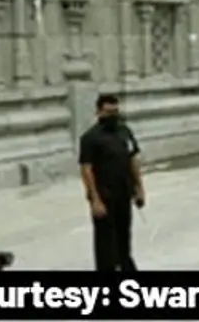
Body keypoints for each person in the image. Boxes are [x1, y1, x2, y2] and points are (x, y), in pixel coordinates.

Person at [78, 93, 144, 271]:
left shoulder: (124, 131)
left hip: (124, 193)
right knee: (106, 242)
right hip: (104, 196)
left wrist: (139, 188)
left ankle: (125, 266)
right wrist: (95, 199)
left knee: (124, 236)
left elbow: (133, 160)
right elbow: (86, 169)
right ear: (99, 112)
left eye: (115, 111)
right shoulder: (90, 138)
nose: (113, 116)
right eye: (108, 112)